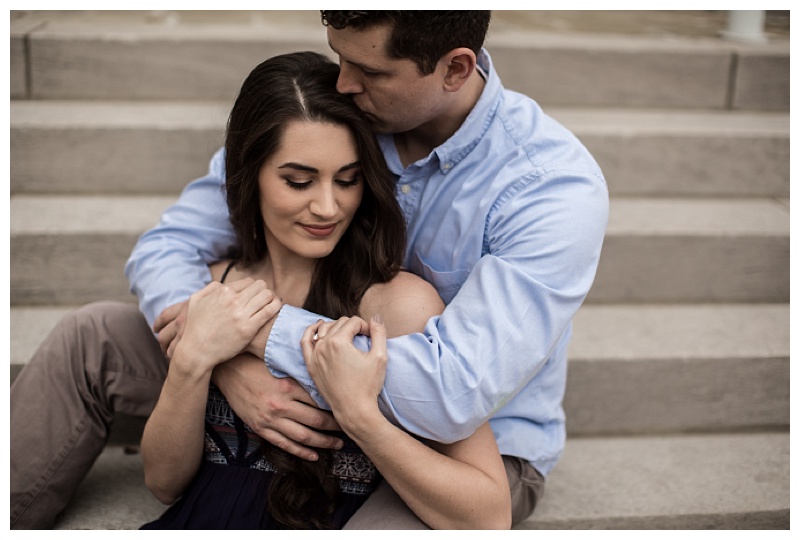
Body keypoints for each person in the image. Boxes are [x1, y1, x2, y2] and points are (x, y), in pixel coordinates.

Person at [10, 11, 608, 530]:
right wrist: (221, 366)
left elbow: (449, 395)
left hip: (449, 437)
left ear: (454, 68)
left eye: (369, 72)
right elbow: (166, 249)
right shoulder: (332, 117)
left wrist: (245, 335)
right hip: (299, 370)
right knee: (93, 336)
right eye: (338, 58)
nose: (344, 83)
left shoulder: (548, 191)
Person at [138, 51, 511, 530]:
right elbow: (164, 483)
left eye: (348, 180)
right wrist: (193, 361)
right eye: (299, 181)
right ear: (248, 175)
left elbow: (488, 514)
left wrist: (361, 417)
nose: (328, 207)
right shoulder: (215, 286)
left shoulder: (395, 307)